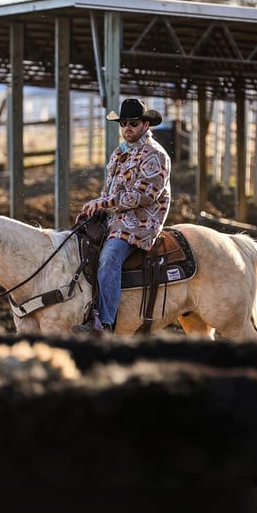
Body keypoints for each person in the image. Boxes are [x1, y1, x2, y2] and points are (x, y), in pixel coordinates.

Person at [71, 98, 172, 336]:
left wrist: (101, 203)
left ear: (146, 124)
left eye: (133, 123)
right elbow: (111, 191)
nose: (127, 127)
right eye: (124, 123)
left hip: (138, 222)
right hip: (115, 218)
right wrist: (96, 211)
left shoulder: (155, 155)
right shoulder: (120, 152)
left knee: (109, 257)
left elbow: (142, 195)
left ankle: (104, 324)